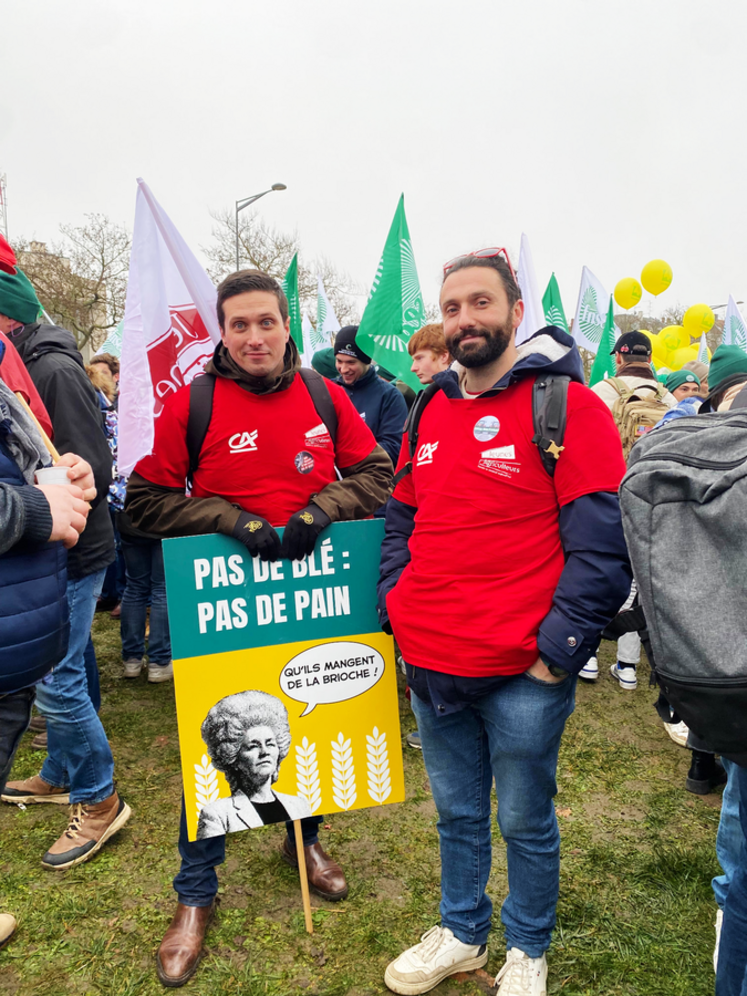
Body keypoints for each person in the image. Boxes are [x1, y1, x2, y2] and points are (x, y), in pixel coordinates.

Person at [124, 269, 392, 987]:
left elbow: (376, 472)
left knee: (303, 722)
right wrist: (226, 519)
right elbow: (143, 503)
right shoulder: (195, 403)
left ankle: (301, 843)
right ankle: (195, 894)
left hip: (312, 598)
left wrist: (320, 509)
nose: (253, 337)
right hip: (225, 607)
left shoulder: (323, 394)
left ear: (285, 326)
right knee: (214, 744)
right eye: (238, 325)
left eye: (265, 323)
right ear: (223, 331)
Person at [378, 249, 631, 995]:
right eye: (452, 308)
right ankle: (461, 932)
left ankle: (526, 947)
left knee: (523, 821)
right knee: (456, 815)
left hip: (524, 672)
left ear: (515, 313)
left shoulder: (567, 407)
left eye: (480, 304)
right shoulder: (425, 406)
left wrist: (556, 651)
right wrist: (398, 602)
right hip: (430, 661)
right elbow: (400, 517)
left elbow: (600, 542)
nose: (464, 321)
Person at [0, 266, 128, 871]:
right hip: (43, 545)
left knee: (58, 680)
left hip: (72, 550)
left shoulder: (49, 369)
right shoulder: (25, 364)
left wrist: (58, 489)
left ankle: (99, 799)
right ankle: (58, 771)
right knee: (65, 671)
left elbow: (93, 468)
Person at [587, 330, 676, 689]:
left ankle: (587, 656)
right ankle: (627, 666)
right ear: (650, 359)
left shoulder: (601, 393)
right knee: (639, 583)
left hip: (606, 495)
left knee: (594, 573)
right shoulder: (672, 399)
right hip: (653, 500)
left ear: (620, 358)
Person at [196, 691, 311, 838]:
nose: (264, 752)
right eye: (253, 746)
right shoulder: (217, 814)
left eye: (270, 744)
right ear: (234, 758)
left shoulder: (299, 804)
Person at [333, 325, 409, 465]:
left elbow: (394, 449)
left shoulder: (390, 397)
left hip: (369, 482)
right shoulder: (327, 390)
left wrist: (346, 455)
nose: (343, 369)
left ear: (366, 361)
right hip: (329, 481)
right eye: (339, 361)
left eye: (351, 362)